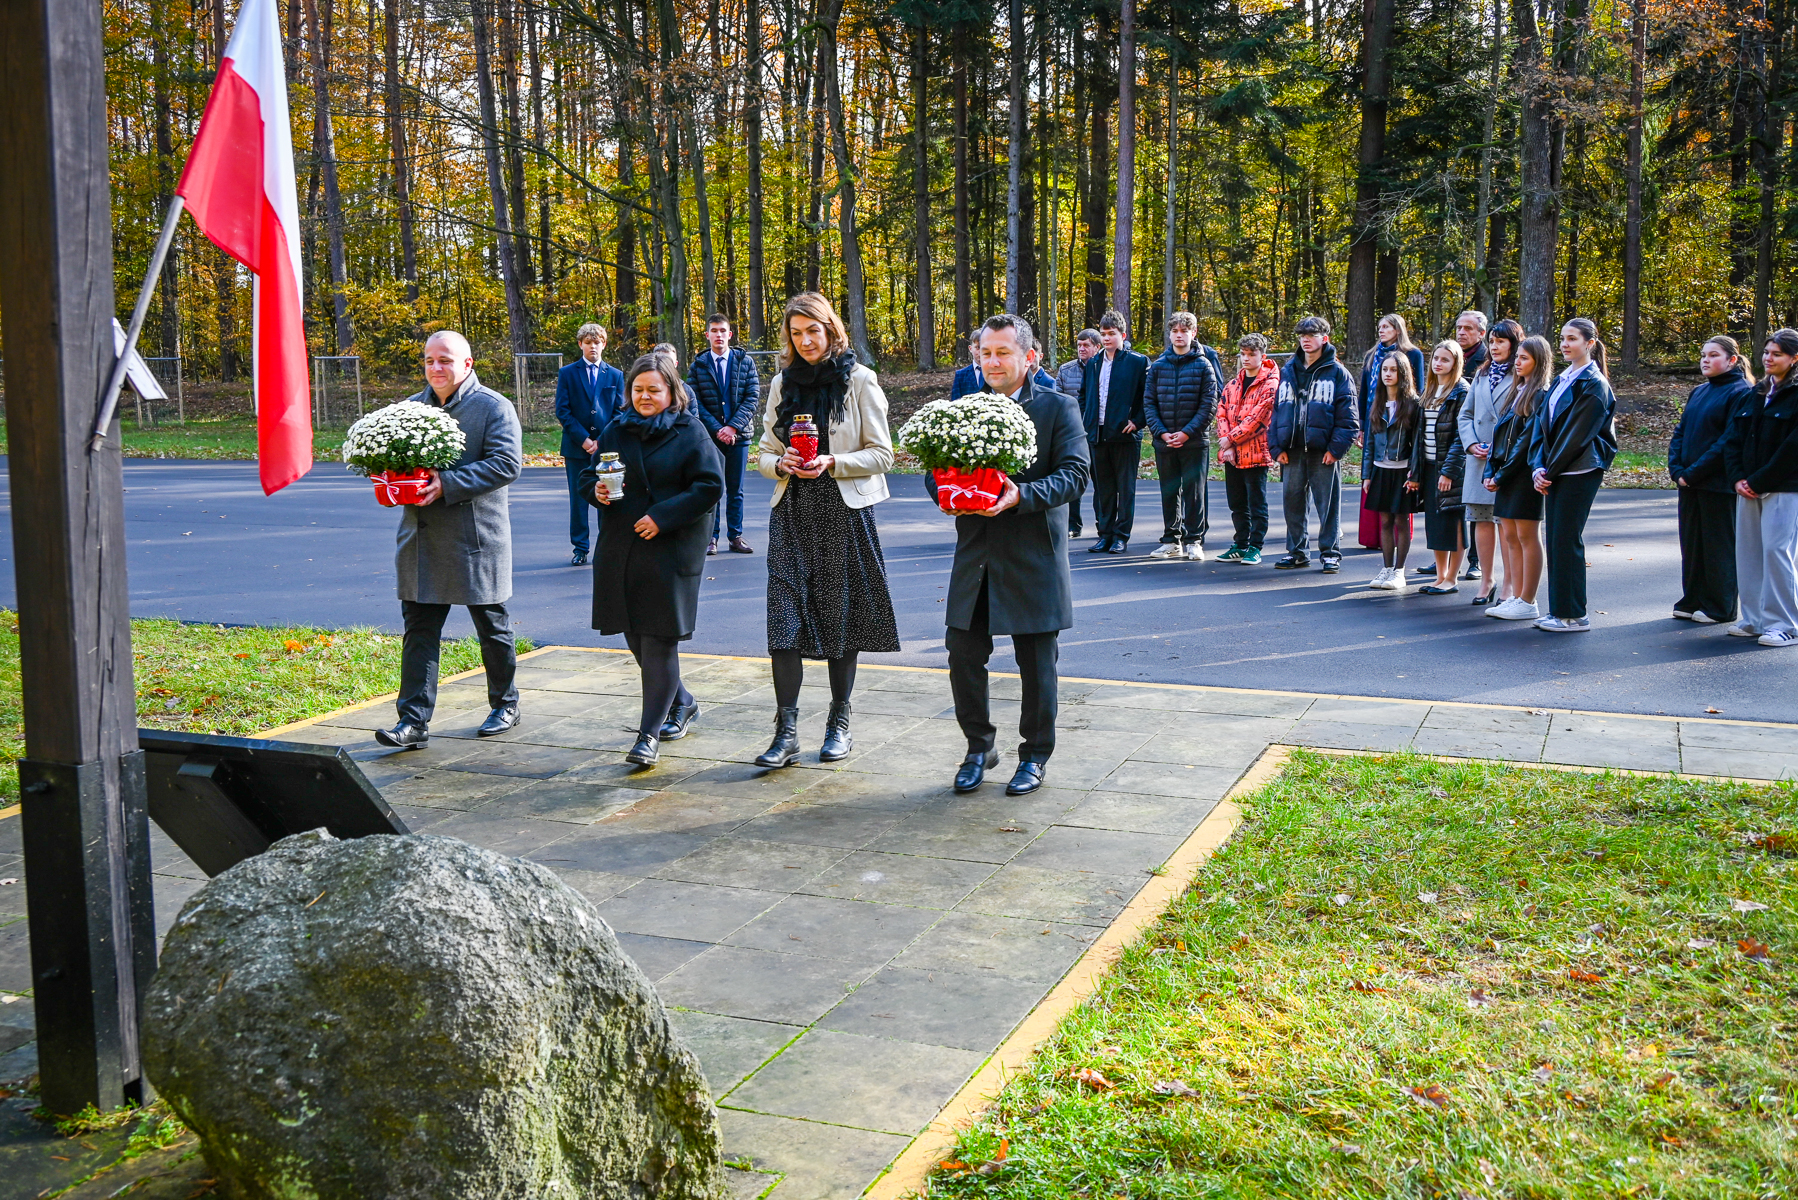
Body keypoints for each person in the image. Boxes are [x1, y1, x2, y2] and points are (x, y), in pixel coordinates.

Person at [931, 313, 1090, 796]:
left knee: (1037, 666)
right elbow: (935, 471)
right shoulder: (961, 410)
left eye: (1003, 352)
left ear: (1029, 357)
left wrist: (1022, 495)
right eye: (985, 353)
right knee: (962, 654)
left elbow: (1076, 474)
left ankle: (1035, 756)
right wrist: (946, 492)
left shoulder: (1059, 408)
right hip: (976, 555)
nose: (993, 362)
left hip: (1034, 554)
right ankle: (979, 747)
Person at [753, 293, 902, 767]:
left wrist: (832, 461)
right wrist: (780, 463)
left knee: (842, 618)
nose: (805, 341)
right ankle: (786, 733)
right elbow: (764, 452)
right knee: (783, 621)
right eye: (796, 333)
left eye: (812, 331)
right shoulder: (782, 382)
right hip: (792, 511)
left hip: (843, 511)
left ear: (831, 330)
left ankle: (840, 721)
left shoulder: (859, 380)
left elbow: (883, 454)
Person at [377, 330, 524, 749]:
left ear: (467, 364)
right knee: (419, 630)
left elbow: (507, 463)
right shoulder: (409, 409)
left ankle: (506, 704)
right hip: (421, 538)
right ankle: (412, 721)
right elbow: (394, 463)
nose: (436, 368)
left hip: (475, 536)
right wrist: (389, 480)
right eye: (429, 360)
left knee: (491, 625)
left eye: (445, 360)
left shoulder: (493, 407)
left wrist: (448, 483)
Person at [583, 346, 725, 765]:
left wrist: (663, 517)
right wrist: (595, 490)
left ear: (672, 391)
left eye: (654, 390)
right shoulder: (616, 428)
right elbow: (587, 476)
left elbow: (709, 486)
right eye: (638, 389)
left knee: (658, 639)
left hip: (670, 547)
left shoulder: (690, 430)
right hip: (622, 546)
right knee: (635, 636)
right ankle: (683, 702)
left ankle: (648, 737)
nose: (644, 397)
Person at [1529, 318, 1618, 632]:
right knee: (1556, 539)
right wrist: (1537, 467)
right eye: (1563, 338)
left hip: (1579, 470)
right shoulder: (1562, 379)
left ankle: (1574, 615)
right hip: (1555, 470)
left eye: (1572, 339)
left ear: (1589, 343)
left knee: (1566, 539)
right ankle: (1560, 611)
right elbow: (1541, 425)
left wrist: (1548, 471)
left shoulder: (1594, 384)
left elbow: (1577, 435)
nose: (1565, 344)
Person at [1668, 336, 1754, 625]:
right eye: (1703, 355)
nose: (1705, 360)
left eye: (1713, 355)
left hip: (1718, 484)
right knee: (1692, 545)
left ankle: (1720, 606)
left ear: (1732, 360)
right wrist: (1677, 469)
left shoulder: (1741, 392)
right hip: (1689, 483)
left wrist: (1693, 473)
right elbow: (1680, 432)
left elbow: (1727, 441)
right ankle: (1692, 599)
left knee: (1719, 546)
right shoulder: (1699, 391)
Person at [1721, 327, 1798, 647]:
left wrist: (1757, 480)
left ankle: (1784, 625)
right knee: (1749, 552)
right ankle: (1754, 620)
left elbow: (1792, 450)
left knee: (1777, 552)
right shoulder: (1755, 393)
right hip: (1747, 487)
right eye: (1766, 352)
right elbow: (1732, 439)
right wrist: (1738, 477)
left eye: (1777, 354)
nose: (1768, 358)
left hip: (1784, 488)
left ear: (1794, 358)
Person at [1269, 315, 1358, 573]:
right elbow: (1276, 411)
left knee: (1327, 505)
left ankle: (1330, 553)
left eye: (1311, 335)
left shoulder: (1338, 373)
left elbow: (1349, 417)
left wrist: (1336, 449)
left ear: (1324, 338)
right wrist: (1276, 447)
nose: (1306, 340)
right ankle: (1296, 552)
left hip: (1323, 451)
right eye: (1302, 336)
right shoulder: (1288, 370)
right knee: (1292, 503)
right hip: (1292, 450)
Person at [1483, 335, 1552, 621]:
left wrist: (1501, 474)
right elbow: (1500, 435)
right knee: (1510, 535)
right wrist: (1491, 470)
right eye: (1517, 358)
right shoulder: (1517, 390)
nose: (1517, 363)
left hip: (1523, 474)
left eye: (1524, 358)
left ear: (1539, 361)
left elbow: (1525, 442)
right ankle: (1516, 596)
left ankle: (1528, 600)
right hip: (1505, 474)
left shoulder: (1540, 394)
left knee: (1527, 535)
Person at [1144, 311, 1220, 560]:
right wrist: (1162, 433)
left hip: (1194, 442)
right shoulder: (1158, 366)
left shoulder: (1204, 365)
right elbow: (1149, 403)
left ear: (1193, 333)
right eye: (1175, 331)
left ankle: (1194, 541)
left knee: (1193, 492)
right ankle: (1171, 540)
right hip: (1164, 441)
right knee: (1169, 491)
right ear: (1170, 334)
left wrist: (1187, 433)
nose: (1179, 335)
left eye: (1184, 331)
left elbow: (1209, 404)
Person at [686, 313, 762, 555]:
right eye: (714, 331)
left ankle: (735, 536)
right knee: (714, 488)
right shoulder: (698, 365)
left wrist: (732, 427)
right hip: (711, 438)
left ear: (729, 334)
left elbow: (752, 397)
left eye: (722, 331)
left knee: (736, 489)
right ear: (707, 335)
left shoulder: (745, 362)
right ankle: (712, 537)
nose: (718, 335)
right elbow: (694, 401)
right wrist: (718, 429)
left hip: (739, 436)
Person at [1458, 319, 1521, 605]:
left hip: (1507, 460)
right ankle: (1487, 580)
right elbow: (1466, 414)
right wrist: (1471, 443)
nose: (1494, 347)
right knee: (1481, 521)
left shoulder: (1523, 373)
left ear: (1514, 344)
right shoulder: (1481, 374)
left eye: (1501, 342)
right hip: (1478, 459)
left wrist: (1499, 447)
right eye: (1492, 342)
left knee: (1505, 523)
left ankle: (1509, 583)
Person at [553, 323, 623, 566]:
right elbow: (563, 411)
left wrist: (601, 441)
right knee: (579, 499)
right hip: (576, 448)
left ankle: (607, 546)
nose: (593, 346)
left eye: (597, 342)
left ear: (604, 344)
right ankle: (580, 548)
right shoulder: (567, 373)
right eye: (588, 342)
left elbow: (619, 412)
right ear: (580, 344)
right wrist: (584, 440)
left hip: (606, 450)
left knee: (607, 497)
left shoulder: (615, 375)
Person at [1080, 309, 1148, 554]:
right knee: (1104, 489)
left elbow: (1147, 397)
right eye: (1103, 333)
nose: (1107, 338)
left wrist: (1137, 422)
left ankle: (1121, 536)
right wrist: (1086, 421)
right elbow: (1083, 395)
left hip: (1125, 436)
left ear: (1123, 335)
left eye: (1111, 333)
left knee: (1125, 489)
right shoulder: (1093, 363)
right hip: (1097, 435)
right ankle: (1105, 534)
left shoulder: (1137, 362)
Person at [1360, 352, 1423, 590]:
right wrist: (1366, 475)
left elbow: (1417, 444)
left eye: (1393, 370)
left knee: (1400, 520)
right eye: (1385, 369)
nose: (1388, 374)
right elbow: (1370, 443)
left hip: (1403, 471)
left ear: (1403, 373)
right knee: (1384, 520)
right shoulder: (1377, 402)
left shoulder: (1413, 404)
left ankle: (1399, 571)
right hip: (1380, 470)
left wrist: (1414, 474)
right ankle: (1386, 568)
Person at [1215, 333, 1280, 565]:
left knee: (1256, 503)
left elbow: (1258, 419)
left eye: (1251, 354)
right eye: (1243, 354)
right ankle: (1240, 544)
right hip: (1232, 454)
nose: (1246, 358)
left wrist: (1231, 440)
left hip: (1256, 454)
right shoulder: (1232, 385)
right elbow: (1221, 412)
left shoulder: (1271, 385)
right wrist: (1227, 444)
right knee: (1237, 503)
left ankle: (1255, 546)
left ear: (1262, 356)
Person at [1414, 340, 1469, 594]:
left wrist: (1449, 471)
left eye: (1445, 359)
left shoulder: (1461, 392)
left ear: (1456, 363)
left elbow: (1461, 436)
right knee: (1435, 523)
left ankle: (1452, 578)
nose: (1438, 363)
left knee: (1453, 520)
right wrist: (1416, 470)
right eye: (1436, 358)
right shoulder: (1429, 391)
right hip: (1428, 465)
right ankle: (1440, 576)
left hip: (1450, 468)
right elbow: (1419, 434)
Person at [1453, 310, 1491, 580]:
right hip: (1453, 437)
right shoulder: (1450, 354)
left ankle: (1475, 560)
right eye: (1458, 327)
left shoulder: (1485, 361)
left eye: (1468, 328)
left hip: (1478, 441)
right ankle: (1449, 555)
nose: (1461, 332)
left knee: (1478, 506)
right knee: (1452, 502)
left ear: (1481, 333)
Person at [1357, 314, 1425, 450]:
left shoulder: (1413, 354)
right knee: (1371, 456)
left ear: (1398, 330)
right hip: (1373, 413)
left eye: (1386, 327)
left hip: (1401, 415)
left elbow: (1418, 390)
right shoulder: (1372, 355)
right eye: (1379, 328)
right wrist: (1361, 425)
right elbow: (1364, 392)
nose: (1381, 331)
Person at [1056, 329, 1101, 537]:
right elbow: (1058, 400)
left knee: (1101, 483)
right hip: (1072, 434)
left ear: (1097, 347)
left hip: (1097, 433)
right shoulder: (1066, 370)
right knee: (1073, 478)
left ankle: (1103, 525)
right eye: (1079, 345)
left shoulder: (1103, 367)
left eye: (1086, 345)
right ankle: (1073, 525)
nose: (1081, 349)